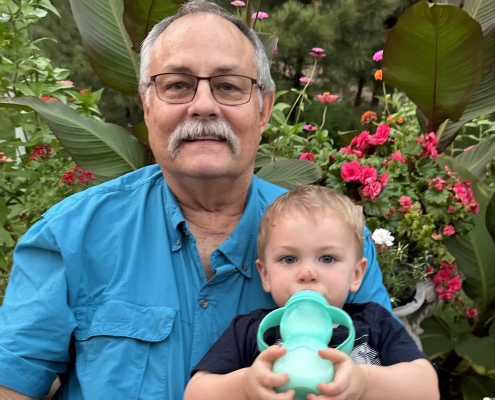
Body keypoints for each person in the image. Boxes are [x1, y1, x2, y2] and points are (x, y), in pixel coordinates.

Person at [0, 1, 392, 399]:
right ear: (147, 105)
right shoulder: (71, 235)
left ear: (264, 110)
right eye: (177, 85)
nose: (203, 105)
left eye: (228, 86)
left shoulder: (333, 243)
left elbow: (391, 378)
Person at [184, 185, 439, 400]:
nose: (307, 272)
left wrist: (364, 381)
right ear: (265, 275)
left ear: (356, 274)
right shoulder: (252, 330)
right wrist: (244, 385)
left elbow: (427, 388)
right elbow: (195, 393)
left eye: (327, 259)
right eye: (289, 259)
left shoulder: (375, 324)